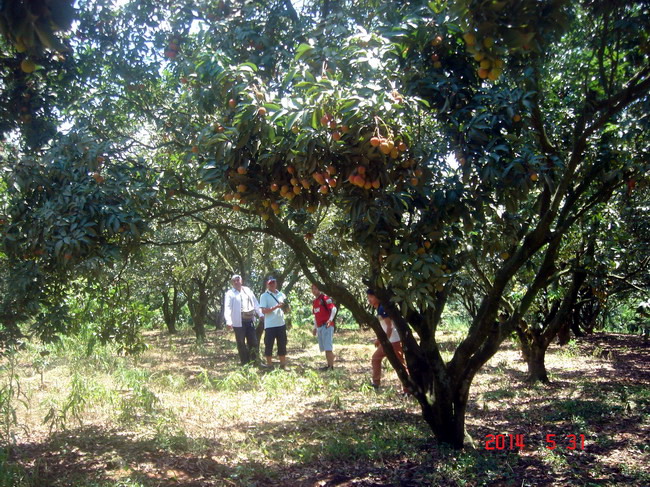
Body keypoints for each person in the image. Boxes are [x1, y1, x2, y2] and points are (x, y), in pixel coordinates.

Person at [366, 289, 409, 393]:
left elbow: (390, 326)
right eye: (368, 297)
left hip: (394, 340)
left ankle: (408, 389)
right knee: (376, 358)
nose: (369, 300)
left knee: (400, 364)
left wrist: (384, 341)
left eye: (371, 297)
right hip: (388, 340)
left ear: (377, 296)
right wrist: (380, 339)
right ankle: (376, 383)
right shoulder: (379, 309)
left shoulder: (382, 309)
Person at [224, 274, 263, 365]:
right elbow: (227, 307)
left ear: (241, 281)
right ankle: (245, 363)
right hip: (238, 321)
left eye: (238, 280)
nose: (236, 282)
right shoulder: (230, 293)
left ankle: (255, 361)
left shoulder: (247, 290)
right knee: (241, 342)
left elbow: (255, 303)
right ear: (232, 283)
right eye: (234, 281)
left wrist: (260, 314)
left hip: (249, 319)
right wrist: (228, 321)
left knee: (253, 341)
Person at [259, 276, 289, 369]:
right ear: (267, 284)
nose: (272, 284)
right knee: (269, 345)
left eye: (273, 282)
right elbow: (263, 310)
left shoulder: (282, 295)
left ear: (276, 283)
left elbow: (287, 310)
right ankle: (269, 364)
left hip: (281, 324)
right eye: (270, 283)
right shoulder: (264, 296)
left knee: (282, 344)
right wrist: (276, 307)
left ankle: (283, 364)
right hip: (270, 325)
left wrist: (286, 308)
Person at [311, 283, 337, 370]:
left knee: (328, 347)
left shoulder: (325, 298)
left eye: (316, 288)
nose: (314, 290)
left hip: (326, 326)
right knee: (325, 347)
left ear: (319, 289)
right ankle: (329, 364)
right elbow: (316, 316)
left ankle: (331, 367)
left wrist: (330, 320)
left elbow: (333, 309)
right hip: (320, 327)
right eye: (313, 289)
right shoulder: (314, 302)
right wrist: (315, 327)